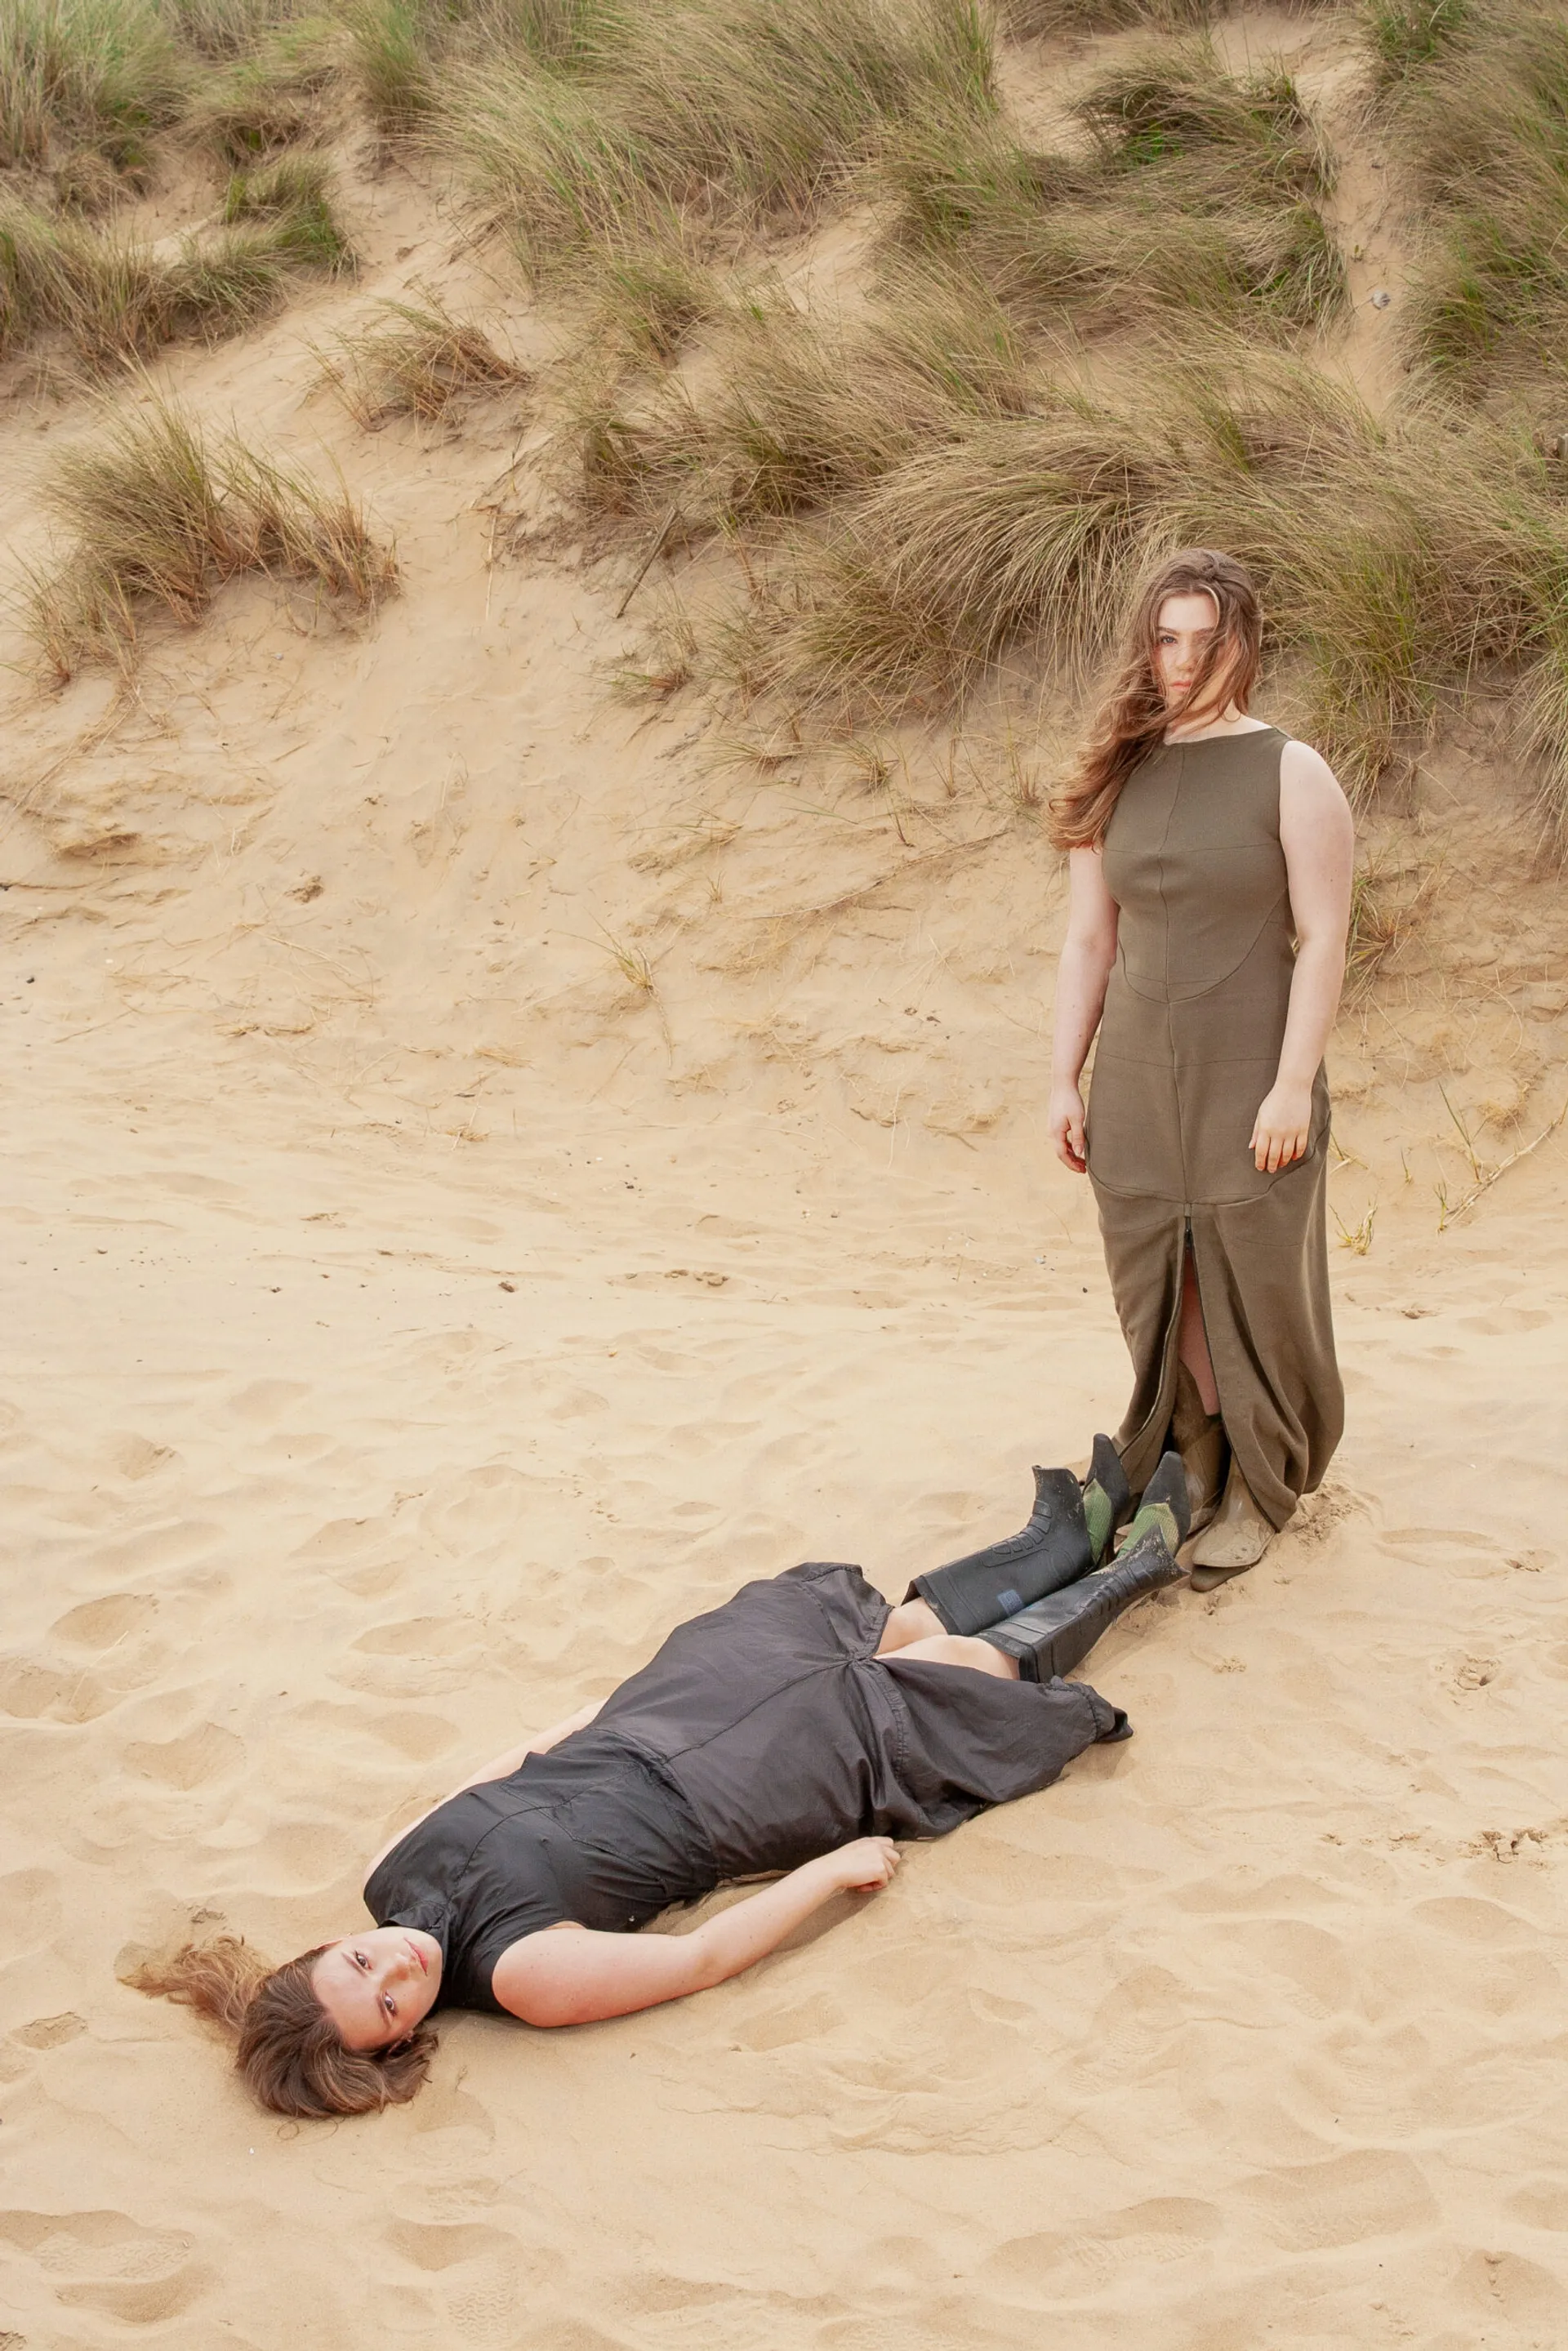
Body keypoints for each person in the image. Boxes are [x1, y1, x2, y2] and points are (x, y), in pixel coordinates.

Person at [132, 1455, 1190, 2119]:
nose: (396, 1966)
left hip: (654, 1719)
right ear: (405, 2036)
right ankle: (1129, 1567)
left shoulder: (384, 1873)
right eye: (391, 2000)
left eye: (361, 1963)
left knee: (871, 1627)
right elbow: (696, 1956)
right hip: (734, 1795)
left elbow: (506, 1762)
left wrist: (620, 1703)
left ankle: (1061, 1534)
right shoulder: (517, 1975)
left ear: (331, 1943)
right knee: (941, 1679)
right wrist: (829, 1867)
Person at [1047, 548, 1355, 1586]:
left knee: (1251, 1273)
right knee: (1160, 1275)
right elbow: (1091, 940)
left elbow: (1323, 938)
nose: (1182, 662)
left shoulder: (1290, 768)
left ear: (1245, 644)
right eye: (1166, 639)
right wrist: (1063, 1076)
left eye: (1204, 640)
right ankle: (1199, 1448)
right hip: (1136, 1066)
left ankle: (1263, 1485)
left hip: (1249, 1066)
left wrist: (1289, 1083)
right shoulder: (1115, 770)